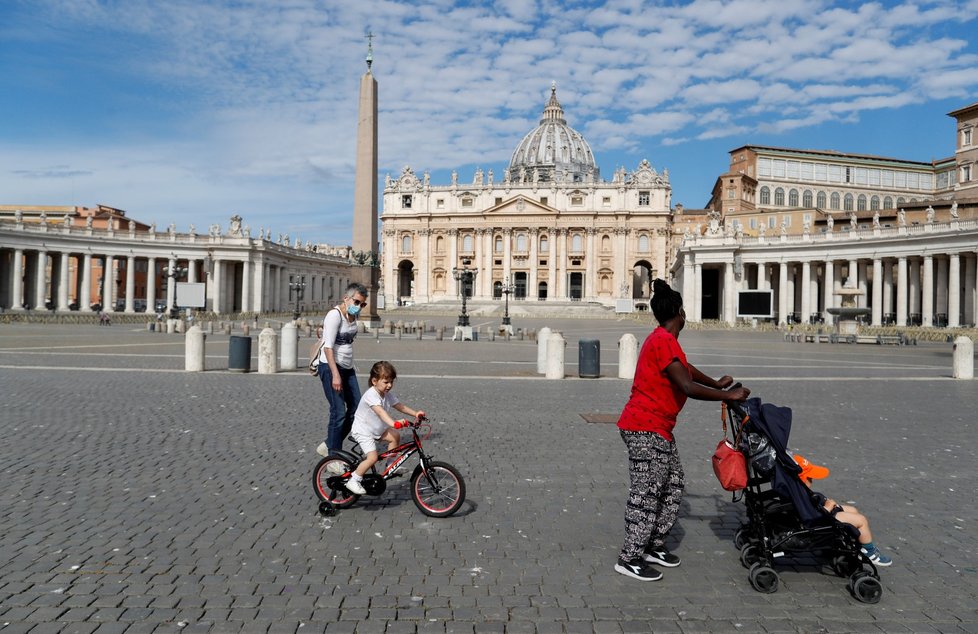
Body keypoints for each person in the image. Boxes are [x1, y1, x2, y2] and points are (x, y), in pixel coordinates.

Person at [615, 278, 750, 582]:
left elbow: (685, 369)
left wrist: (716, 384)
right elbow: (686, 386)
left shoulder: (667, 341)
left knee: (673, 485)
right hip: (644, 426)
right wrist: (727, 395)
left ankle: (652, 544)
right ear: (680, 311)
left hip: (658, 427)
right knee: (647, 492)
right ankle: (630, 556)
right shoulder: (662, 340)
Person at [794, 455, 892, 566]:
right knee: (861, 520)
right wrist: (828, 507)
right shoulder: (798, 494)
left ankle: (853, 542)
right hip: (819, 518)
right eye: (809, 478)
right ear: (801, 479)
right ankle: (868, 551)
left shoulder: (796, 491)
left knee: (853, 510)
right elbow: (813, 516)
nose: (812, 480)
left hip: (819, 512)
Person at [345, 361, 423, 495]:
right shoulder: (371, 395)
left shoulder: (387, 395)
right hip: (363, 431)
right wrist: (393, 423)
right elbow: (381, 412)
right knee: (372, 458)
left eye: (391, 382)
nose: (389, 385)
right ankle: (354, 479)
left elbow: (399, 406)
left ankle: (391, 464)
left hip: (377, 428)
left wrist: (415, 413)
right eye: (386, 382)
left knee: (395, 437)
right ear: (374, 381)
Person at [316, 282, 368, 458]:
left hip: (347, 367)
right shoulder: (334, 315)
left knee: (356, 408)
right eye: (357, 302)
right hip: (331, 367)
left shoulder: (354, 317)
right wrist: (335, 375)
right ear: (346, 298)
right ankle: (333, 456)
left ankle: (330, 443)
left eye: (363, 304)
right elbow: (328, 347)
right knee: (338, 411)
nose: (359, 307)